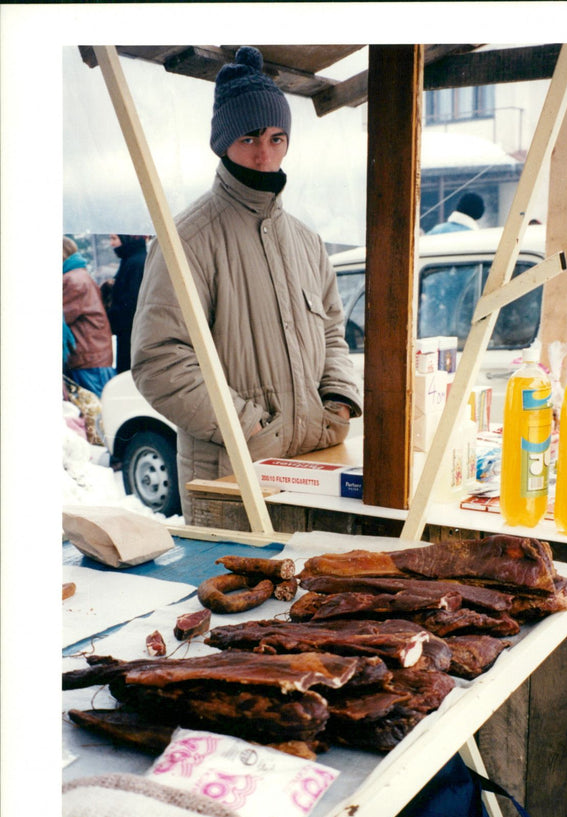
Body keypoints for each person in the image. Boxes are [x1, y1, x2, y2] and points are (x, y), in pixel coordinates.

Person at [132, 46, 362, 525]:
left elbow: (333, 332)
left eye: (278, 138)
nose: (264, 154)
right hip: (231, 475)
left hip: (314, 466)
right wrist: (250, 427)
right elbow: (159, 361)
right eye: (250, 137)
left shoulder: (306, 240)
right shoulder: (188, 239)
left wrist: (337, 399)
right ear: (223, 142)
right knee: (236, 597)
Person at [62, 236, 116, 398]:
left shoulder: (73, 280)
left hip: (88, 359)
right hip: (93, 355)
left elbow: (62, 315)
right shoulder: (79, 274)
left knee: (97, 411)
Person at [107, 234, 149, 372]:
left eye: (114, 238)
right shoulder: (131, 260)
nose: (111, 243)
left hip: (131, 334)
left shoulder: (135, 263)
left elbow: (131, 302)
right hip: (131, 333)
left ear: (126, 238)